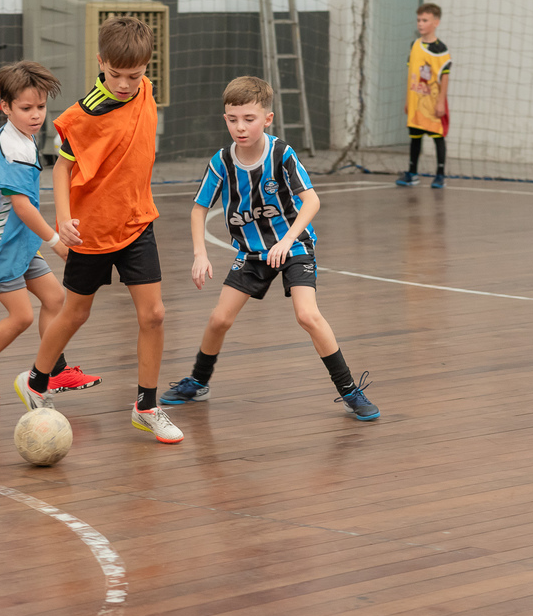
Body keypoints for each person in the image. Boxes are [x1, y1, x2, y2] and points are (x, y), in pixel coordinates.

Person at [160, 76, 381, 420]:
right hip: (252, 252)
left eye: (249, 119)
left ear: (267, 119)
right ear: (225, 120)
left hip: (293, 246)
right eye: (233, 120)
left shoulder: (282, 154)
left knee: (308, 315)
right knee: (219, 319)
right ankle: (198, 381)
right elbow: (198, 209)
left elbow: (311, 202)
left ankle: (350, 390)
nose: (240, 127)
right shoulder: (222, 162)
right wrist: (200, 254)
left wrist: (288, 239)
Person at [12, 16, 183, 444]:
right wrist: (63, 219)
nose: (125, 84)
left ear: (147, 68)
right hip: (90, 230)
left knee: (155, 314)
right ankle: (35, 381)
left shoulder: (144, 88)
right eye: (116, 75)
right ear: (100, 61)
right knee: (76, 312)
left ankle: (146, 406)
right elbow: (62, 169)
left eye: (135, 75)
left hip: (137, 220)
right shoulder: (83, 115)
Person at [0, 61, 101, 406]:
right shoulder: (17, 150)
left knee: (54, 299)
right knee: (21, 316)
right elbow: (22, 208)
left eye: (40, 107)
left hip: (19, 243)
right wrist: (56, 242)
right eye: (26, 108)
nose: (36, 115)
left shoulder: (13, 135)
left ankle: (56, 369)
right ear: (4, 106)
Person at [396, 2, 451, 189]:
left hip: (433, 102)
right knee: (415, 137)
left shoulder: (440, 49)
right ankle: (412, 173)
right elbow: (411, 73)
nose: (420, 24)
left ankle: (440, 175)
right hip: (416, 101)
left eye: (425, 20)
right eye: (419, 20)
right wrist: (407, 100)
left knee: (437, 137)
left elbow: (444, 78)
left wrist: (441, 102)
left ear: (435, 22)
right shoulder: (415, 45)